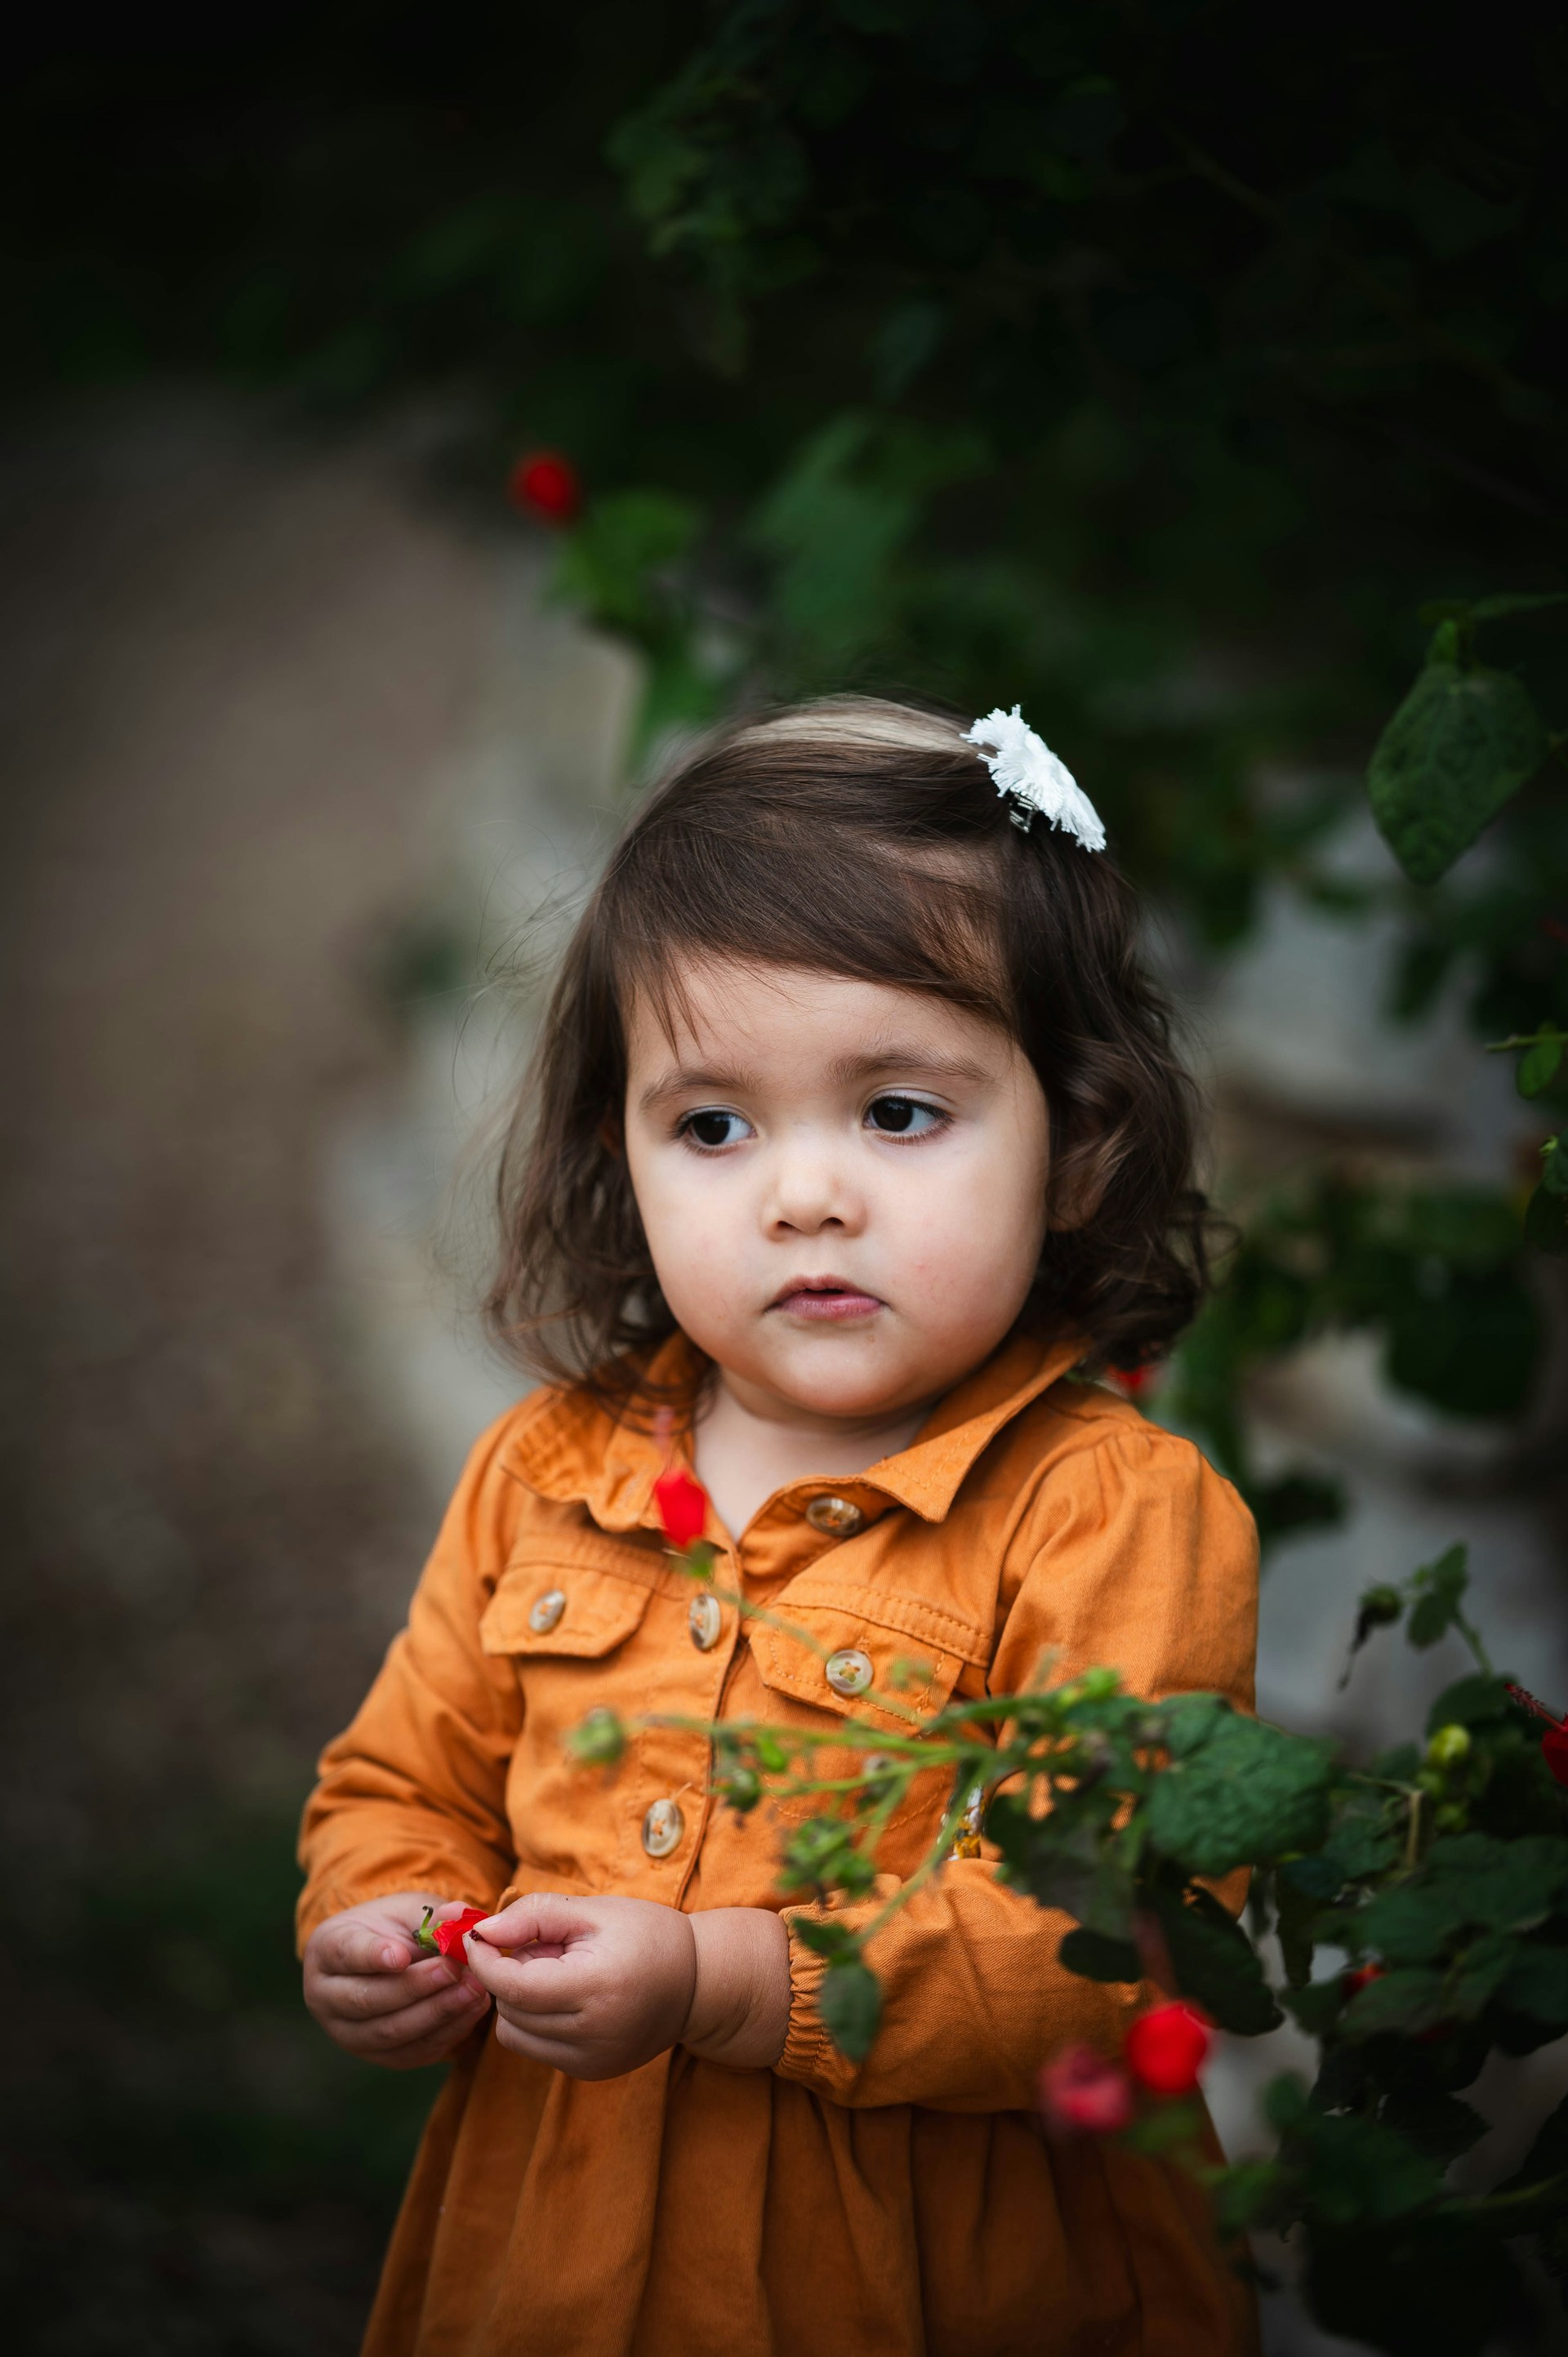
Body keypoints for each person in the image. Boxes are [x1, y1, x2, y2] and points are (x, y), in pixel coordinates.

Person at [297, 697, 1259, 2356]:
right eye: (714, 1125)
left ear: (1080, 1141)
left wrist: (723, 1981)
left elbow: (1106, 1938)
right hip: (552, 2260)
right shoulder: (548, 1474)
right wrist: (381, 1911)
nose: (801, 1195)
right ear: (624, 1152)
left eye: (897, 1111)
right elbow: (406, 1776)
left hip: (939, 2278)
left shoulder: (1112, 1515)